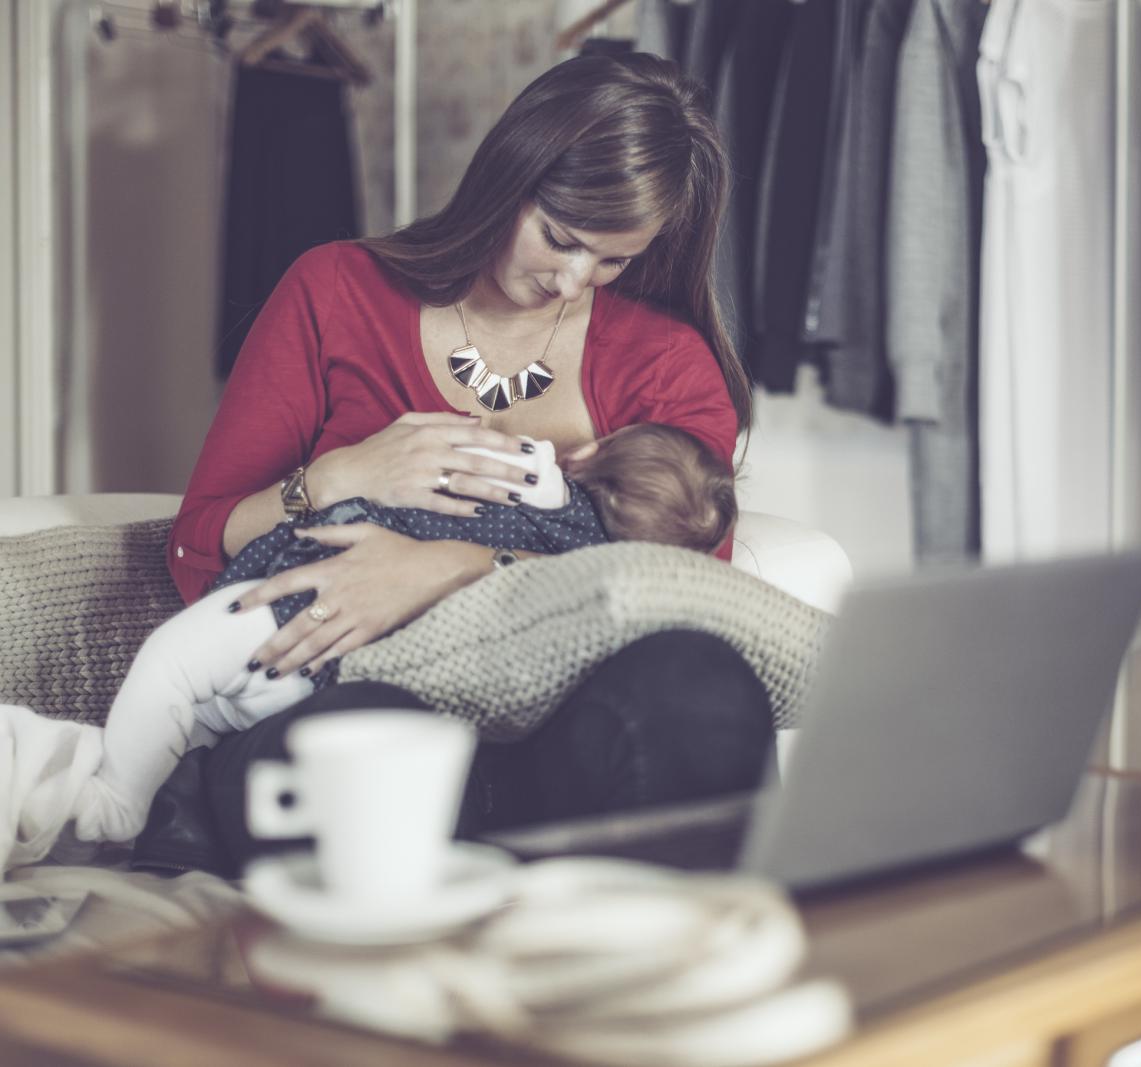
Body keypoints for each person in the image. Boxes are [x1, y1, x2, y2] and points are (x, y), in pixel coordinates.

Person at [137, 54, 775, 876]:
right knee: (347, 746)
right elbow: (197, 543)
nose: (573, 281)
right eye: (561, 238)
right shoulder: (336, 291)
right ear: (510, 178)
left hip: (552, 731)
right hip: (349, 696)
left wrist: (454, 567)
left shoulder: (668, 366)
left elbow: (693, 592)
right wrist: (338, 477)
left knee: (702, 687)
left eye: (612, 260)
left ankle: (642, 965)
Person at [73, 425, 736, 845]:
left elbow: (457, 453)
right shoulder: (588, 573)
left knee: (173, 667)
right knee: (202, 712)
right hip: (338, 674)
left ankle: (116, 806)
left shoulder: (537, 472)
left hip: (305, 600)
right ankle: (163, 809)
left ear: (591, 453)